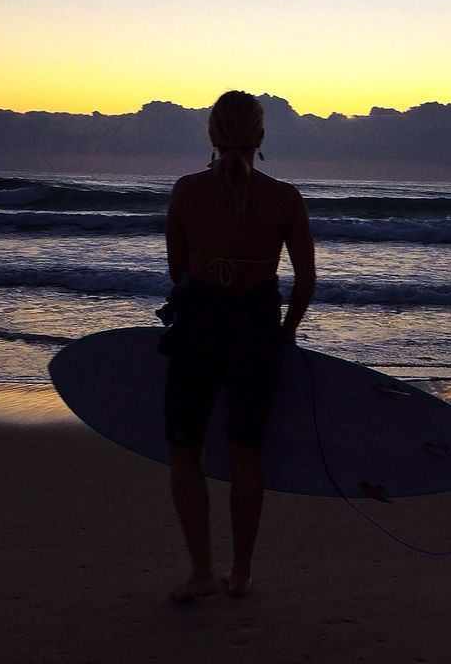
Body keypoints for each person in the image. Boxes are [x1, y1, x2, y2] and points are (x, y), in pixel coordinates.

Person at [160, 90, 315, 600]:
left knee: (185, 452)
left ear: (211, 134)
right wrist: (287, 330)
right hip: (256, 334)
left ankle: (201, 573)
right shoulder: (286, 198)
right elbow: (306, 281)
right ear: (261, 137)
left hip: (198, 329)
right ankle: (242, 573)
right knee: (246, 454)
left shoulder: (185, 192)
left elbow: (178, 272)